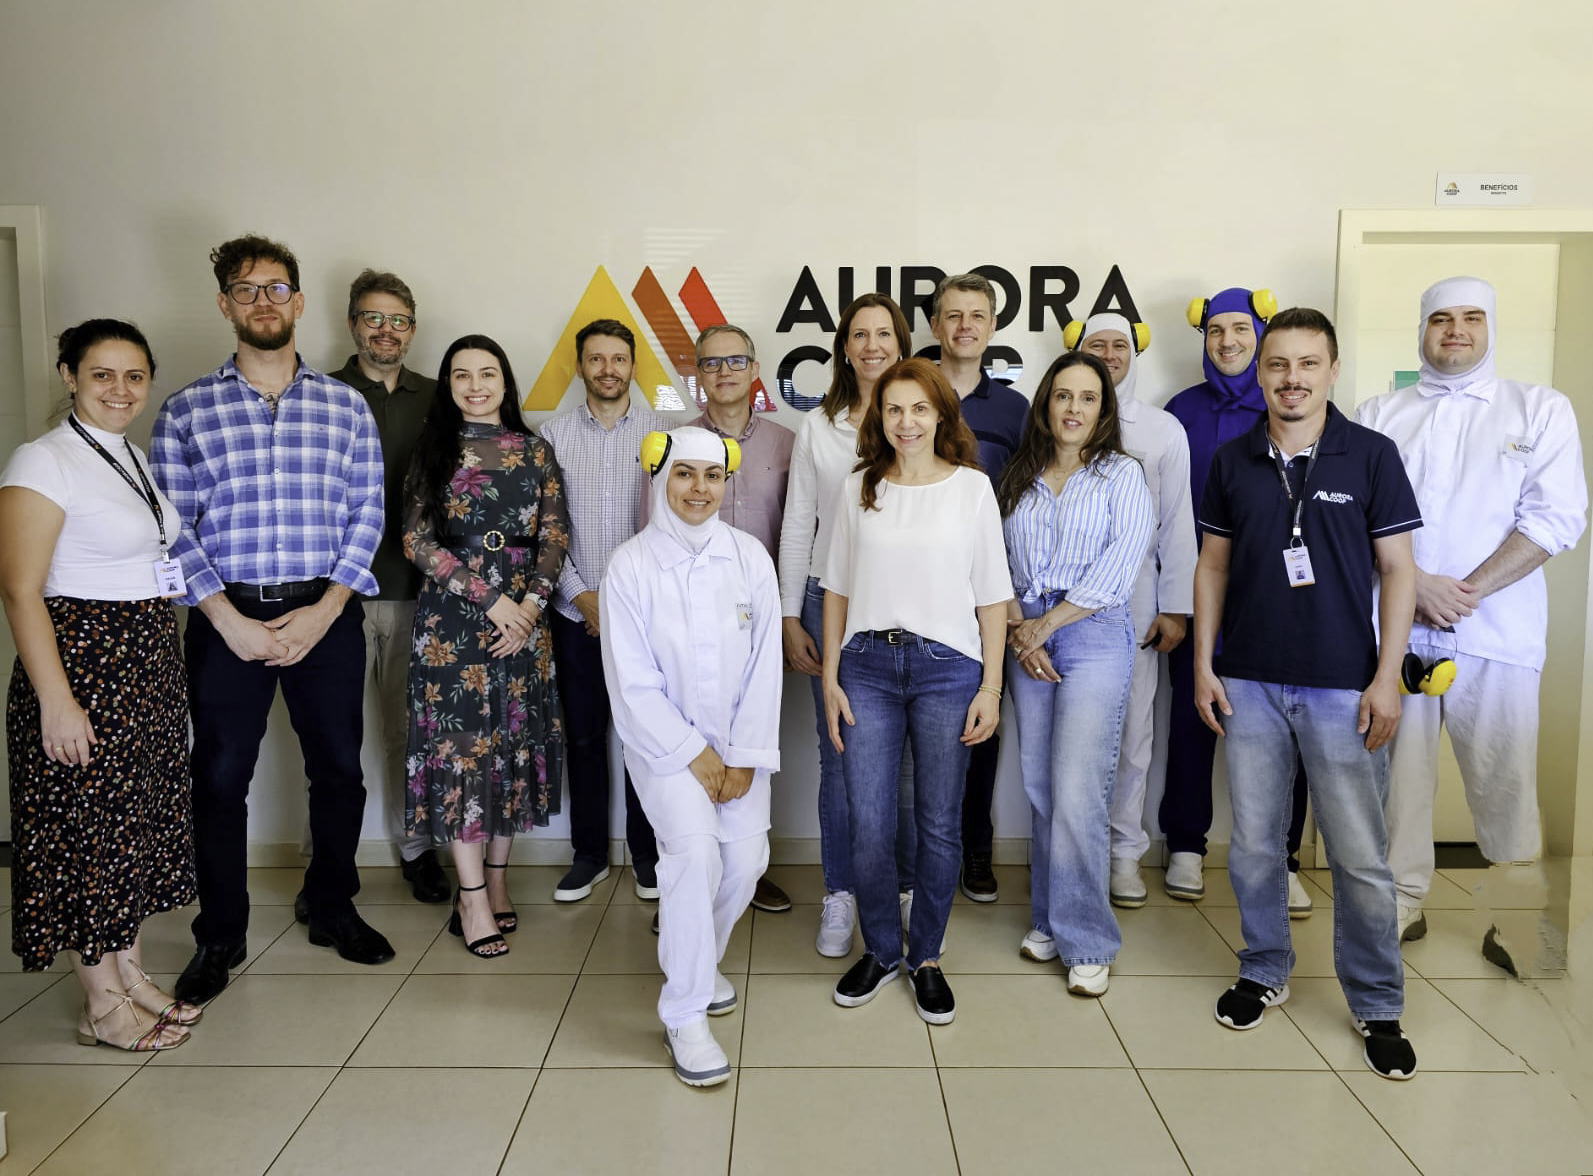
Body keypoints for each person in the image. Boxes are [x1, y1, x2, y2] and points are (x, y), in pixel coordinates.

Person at [153, 234, 392, 1004]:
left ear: (296, 300)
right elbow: (172, 526)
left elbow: (367, 514)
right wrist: (225, 618)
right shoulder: (186, 410)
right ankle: (219, 934)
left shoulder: (344, 406)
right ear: (225, 304)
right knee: (220, 780)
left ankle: (331, 906)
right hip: (228, 619)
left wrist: (325, 611)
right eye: (247, 289)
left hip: (325, 613)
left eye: (277, 287)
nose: (264, 300)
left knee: (340, 774)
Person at [1193, 307, 1420, 1080]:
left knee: (1358, 857)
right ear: (1258, 372)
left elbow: (1398, 573)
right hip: (1248, 681)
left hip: (1342, 687)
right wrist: (1203, 664)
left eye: (1306, 364)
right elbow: (1212, 568)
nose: (1290, 378)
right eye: (1276, 364)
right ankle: (1263, 969)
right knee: (1255, 847)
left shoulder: (1371, 457)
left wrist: (1386, 677)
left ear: (1329, 369)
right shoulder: (1230, 461)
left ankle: (1376, 1000)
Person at [1355, 276, 1588, 962]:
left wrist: (1466, 591)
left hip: (1496, 633)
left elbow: (1556, 517)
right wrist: (1416, 587)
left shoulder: (1537, 408)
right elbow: (1356, 517)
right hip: (1396, 628)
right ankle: (1399, 906)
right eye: (1440, 320)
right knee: (1398, 781)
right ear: (1421, 330)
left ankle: (1513, 922)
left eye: (1469, 318)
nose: (1454, 331)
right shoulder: (1378, 412)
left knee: (1503, 777)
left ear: (1488, 328)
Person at [0, 320, 196, 1051]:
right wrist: (57, 700)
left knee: (131, 831)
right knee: (86, 835)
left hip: (143, 664)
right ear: (69, 376)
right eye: (103, 374)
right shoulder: (42, 460)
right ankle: (101, 1004)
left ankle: (132, 975)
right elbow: (20, 591)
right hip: (81, 667)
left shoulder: (130, 457)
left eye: (134, 376)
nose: (121, 390)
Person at [822, 357, 1011, 1026]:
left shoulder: (970, 489)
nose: (905, 422)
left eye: (919, 409)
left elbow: (992, 597)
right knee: (868, 824)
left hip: (947, 670)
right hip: (866, 667)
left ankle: (924, 955)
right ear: (881, 417)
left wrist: (990, 685)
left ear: (940, 416)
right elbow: (836, 588)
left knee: (936, 822)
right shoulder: (857, 488)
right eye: (894, 409)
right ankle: (880, 949)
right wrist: (828, 679)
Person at [601, 426, 782, 1087]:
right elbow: (631, 682)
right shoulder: (630, 566)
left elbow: (766, 668)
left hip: (740, 746)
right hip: (663, 750)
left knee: (746, 860)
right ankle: (684, 1014)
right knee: (694, 855)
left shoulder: (749, 558)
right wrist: (692, 753)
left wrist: (740, 756)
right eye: (684, 474)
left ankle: (698, 961)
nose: (699, 489)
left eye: (712, 475)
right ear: (660, 477)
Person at [402, 335, 570, 958]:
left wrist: (528, 607)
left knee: (510, 750)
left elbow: (555, 535)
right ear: (448, 384)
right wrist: (492, 601)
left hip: (525, 625)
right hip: (454, 627)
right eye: (463, 375)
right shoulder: (433, 449)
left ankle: (496, 885)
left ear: (506, 382)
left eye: (488, 373)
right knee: (463, 755)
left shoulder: (535, 450)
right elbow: (416, 543)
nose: (476, 385)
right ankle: (469, 898)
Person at [1001, 351, 1154, 996]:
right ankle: (1051, 920)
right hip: (1025, 633)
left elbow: (1122, 565)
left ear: (1104, 409)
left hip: (1090, 634)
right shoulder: (1019, 475)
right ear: (1045, 404)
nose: (1072, 409)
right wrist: (1019, 628)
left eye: (1087, 398)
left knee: (1079, 787)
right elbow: (993, 561)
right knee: (1040, 785)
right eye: (1062, 396)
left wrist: (1046, 625)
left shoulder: (1123, 474)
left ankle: (1088, 939)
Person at [1163, 287, 1313, 915]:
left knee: (1285, 730)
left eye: (1241, 331)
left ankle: (1283, 857)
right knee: (1191, 723)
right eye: (1216, 330)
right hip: (1197, 592)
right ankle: (1186, 845)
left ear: (1262, 338)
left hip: (1274, 600)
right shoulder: (1180, 411)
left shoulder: (1292, 408)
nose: (1227, 341)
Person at [778, 293, 918, 957]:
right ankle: (840, 893)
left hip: (908, 603)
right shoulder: (819, 426)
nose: (870, 346)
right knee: (839, 754)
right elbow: (797, 523)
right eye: (858, 334)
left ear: (901, 341)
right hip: (827, 600)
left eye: (882, 334)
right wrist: (786, 613)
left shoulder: (922, 418)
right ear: (842, 346)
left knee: (907, 762)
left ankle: (900, 888)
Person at [329, 269, 450, 906]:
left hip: (413, 590)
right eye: (373, 318)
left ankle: (416, 851)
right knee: (333, 739)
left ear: (411, 328)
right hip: (333, 597)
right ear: (353, 324)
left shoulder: (438, 397)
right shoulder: (318, 391)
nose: (386, 330)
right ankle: (328, 871)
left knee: (409, 734)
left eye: (398, 320)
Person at [540, 320, 671, 903]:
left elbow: (674, 527)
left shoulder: (664, 434)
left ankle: (647, 856)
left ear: (633, 366)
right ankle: (589, 854)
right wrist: (580, 595)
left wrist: (625, 603)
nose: (608, 370)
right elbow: (543, 529)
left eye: (619, 359)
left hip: (647, 618)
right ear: (580, 367)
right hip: (576, 613)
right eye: (597, 360)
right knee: (586, 738)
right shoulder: (550, 437)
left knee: (645, 739)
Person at [1073, 314, 1196, 909]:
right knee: (1071, 735)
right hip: (1065, 599)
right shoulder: (1058, 420)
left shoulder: (1163, 429)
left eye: (1119, 345)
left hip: (1138, 598)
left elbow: (1177, 525)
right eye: (1096, 344)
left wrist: (1175, 608)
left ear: (1135, 352)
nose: (1109, 353)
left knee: (1132, 730)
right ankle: (1075, 854)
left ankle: (1124, 854)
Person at [681, 324, 795, 915]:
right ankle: (690, 876)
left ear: (755, 370)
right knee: (692, 746)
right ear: (696, 375)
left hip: (765, 625)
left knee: (754, 743)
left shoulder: (785, 443)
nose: (723, 371)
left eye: (735, 361)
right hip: (693, 627)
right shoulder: (675, 445)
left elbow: (803, 535)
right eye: (710, 363)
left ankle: (746, 870)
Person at [929, 273, 1027, 903]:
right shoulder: (907, 392)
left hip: (988, 590)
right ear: (936, 326)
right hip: (918, 586)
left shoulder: (1016, 410)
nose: (965, 325)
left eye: (977, 315)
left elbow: (1026, 500)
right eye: (953, 315)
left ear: (992, 327)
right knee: (920, 729)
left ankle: (976, 849)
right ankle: (920, 855)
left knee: (981, 717)